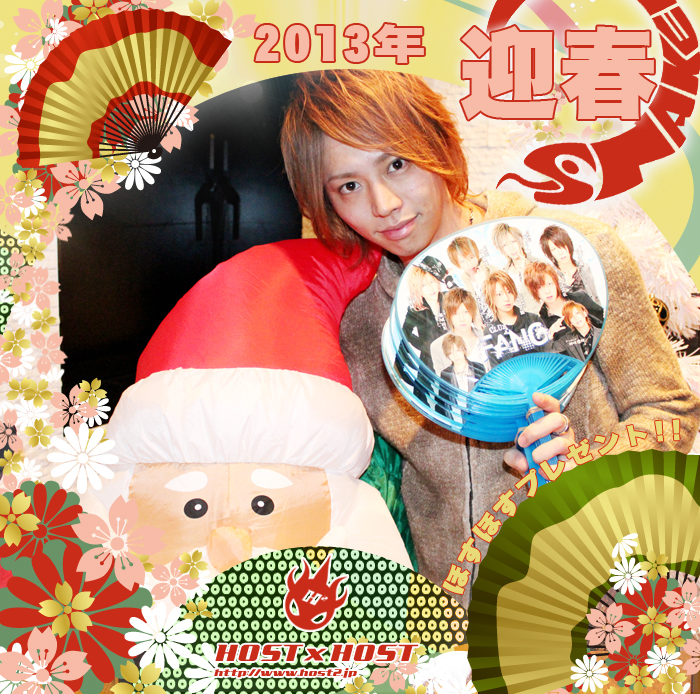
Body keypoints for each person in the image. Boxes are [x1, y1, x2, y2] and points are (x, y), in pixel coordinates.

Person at [280, 69, 700, 601]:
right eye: (348, 186)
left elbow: (669, 410)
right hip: (449, 617)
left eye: (396, 163)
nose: (383, 203)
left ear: (437, 144)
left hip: (595, 592)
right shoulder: (361, 322)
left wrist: (589, 463)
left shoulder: (570, 255)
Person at [523, 261, 604, 342]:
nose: (547, 291)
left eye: (549, 284)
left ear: (556, 282)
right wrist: (549, 337)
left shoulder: (580, 298)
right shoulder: (543, 323)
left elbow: (604, 321)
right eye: (540, 287)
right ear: (534, 291)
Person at [482, 271, 550, 365]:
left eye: (509, 292)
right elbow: (496, 368)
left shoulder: (533, 320)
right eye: (499, 294)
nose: (506, 298)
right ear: (491, 298)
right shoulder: (491, 332)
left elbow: (549, 353)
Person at [430, 288, 490, 377]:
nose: (461, 319)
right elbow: (441, 382)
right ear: (448, 316)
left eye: (466, 312)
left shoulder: (487, 337)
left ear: (472, 312)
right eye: (455, 313)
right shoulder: (437, 346)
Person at [401, 265, 448, 371]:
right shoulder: (416, 310)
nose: (430, 288)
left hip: (454, 356)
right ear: (417, 289)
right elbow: (405, 334)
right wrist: (425, 346)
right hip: (430, 363)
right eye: (423, 285)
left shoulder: (449, 297)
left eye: (432, 281)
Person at [540, 224, 600, 303]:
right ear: (550, 253)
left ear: (568, 244)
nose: (560, 252)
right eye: (554, 249)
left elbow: (595, 298)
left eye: (561, 246)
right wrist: (567, 286)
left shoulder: (584, 268)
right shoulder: (552, 276)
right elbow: (557, 305)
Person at [491, 222, 540, 314]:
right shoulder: (504, 274)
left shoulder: (538, 264)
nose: (511, 248)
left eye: (513, 242)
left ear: (520, 239)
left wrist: (527, 270)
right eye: (505, 245)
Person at [446, 236, 492, 326]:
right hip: (485, 328)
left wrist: (484, 284)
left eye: (471, 257)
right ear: (458, 264)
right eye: (463, 261)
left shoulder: (491, 271)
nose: (469, 264)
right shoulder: (464, 281)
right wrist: (476, 320)